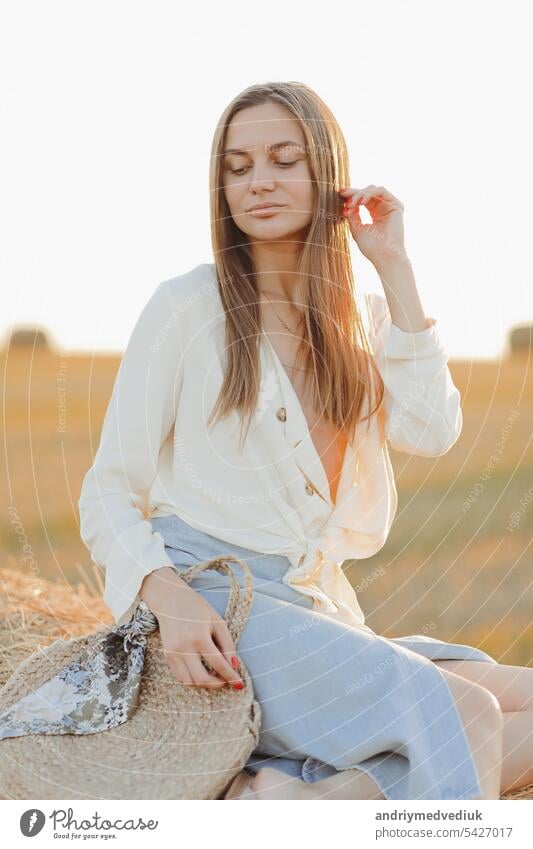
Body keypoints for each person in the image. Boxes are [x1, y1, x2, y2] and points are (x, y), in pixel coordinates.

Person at [78, 81, 533, 800]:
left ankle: (313, 803)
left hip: (318, 609)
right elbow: (107, 488)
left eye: (283, 159)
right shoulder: (185, 306)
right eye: (237, 165)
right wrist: (168, 597)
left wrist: (393, 264)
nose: (258, 180)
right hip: (222, 603)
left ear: (326, 173)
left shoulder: (363, 320)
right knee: (466, 714)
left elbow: (432, 430)